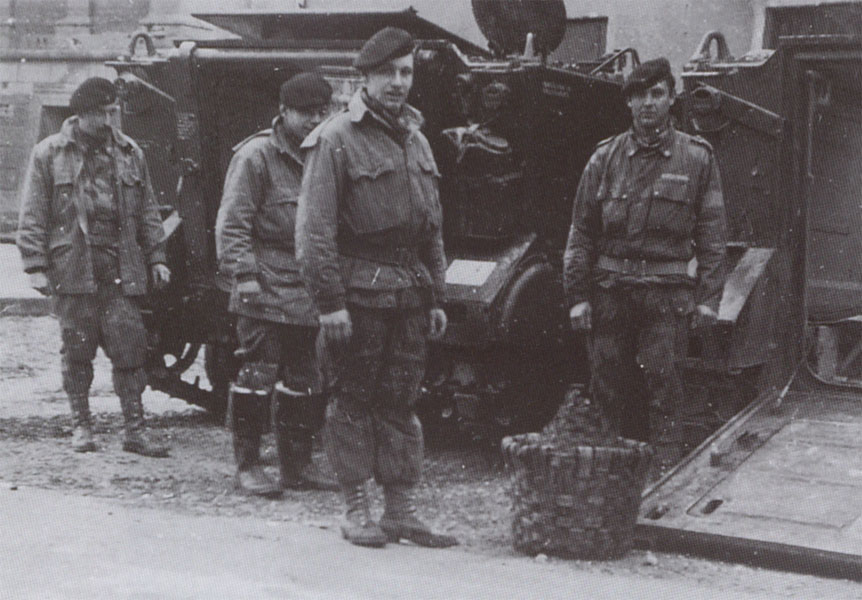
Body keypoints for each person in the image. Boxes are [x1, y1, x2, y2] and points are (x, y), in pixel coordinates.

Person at [297, 27, 457, 549]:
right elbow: (314, 231)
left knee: (401, 401)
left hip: (409, 295)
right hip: (358, 296)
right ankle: (354, 507)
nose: (398, 82)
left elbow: (431, 227)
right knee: (352, 400)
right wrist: (329, 304)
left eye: (406, 72)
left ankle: (401, 510)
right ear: (365, 76)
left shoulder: (417, 138)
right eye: (387, 72)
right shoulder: (335, 138)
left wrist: (436, 295)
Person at [563, 58, 727, 467]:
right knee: (606, 387)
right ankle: (604, 478)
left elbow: (712, 235)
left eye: (657, 94)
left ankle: (665, 478)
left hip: (665, 297)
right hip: (610, 294)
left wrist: (709, 299)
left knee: (664, 387)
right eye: (639, 95)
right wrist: (577, 296)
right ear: (629, 103)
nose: (648, 103)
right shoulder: (605, 158)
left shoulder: (697, 158)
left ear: (672, 99)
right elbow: (581, 230)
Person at [17, 77, 171, 457]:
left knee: (130, 348)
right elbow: (33, 213)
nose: (110, 120)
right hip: (73, 268)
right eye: (103, 113)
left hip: (120, 268)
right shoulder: (49, 153)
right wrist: (35, 265)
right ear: (82, 114)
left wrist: (157, 257)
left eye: (113, 111)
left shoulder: (130, 152)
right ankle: (81, 426)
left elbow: (148, 210)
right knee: (77, 350)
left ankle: (135, 431)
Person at [215, 72, 338, 497]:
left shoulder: (327, 154)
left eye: (323, 113)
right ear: (284, 112)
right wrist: (244, 276)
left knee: (305, 379)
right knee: (257, 374)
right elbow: (232, 223)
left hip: (308, 290)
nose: (315, 121)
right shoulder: (256, 156)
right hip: (263, 286)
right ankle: (248, 465)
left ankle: (296, 466)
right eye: (306, 113)